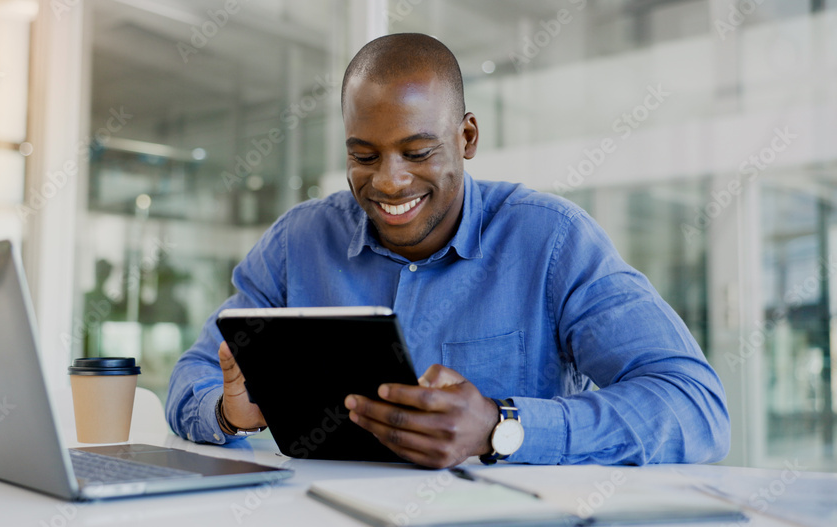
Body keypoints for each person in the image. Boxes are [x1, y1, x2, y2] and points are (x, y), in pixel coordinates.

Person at [165, 33, 729, 468]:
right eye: (364, 156)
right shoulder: (298, 243)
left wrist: (500, 427)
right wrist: (229, 412)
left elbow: (696, 408)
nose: (388, 182)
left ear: (468, 138)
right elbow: (194, 371)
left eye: (418, 152)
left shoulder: (552, 241)